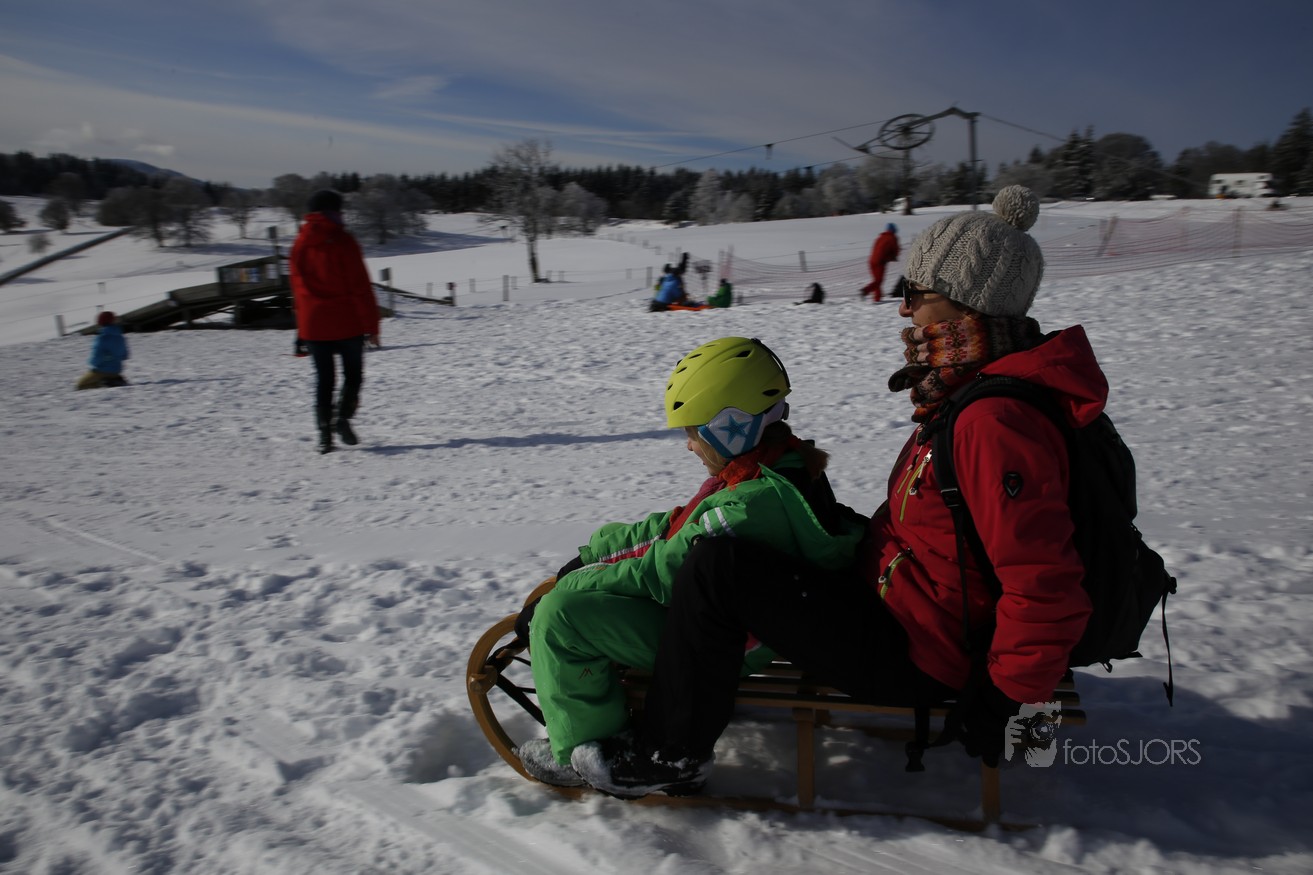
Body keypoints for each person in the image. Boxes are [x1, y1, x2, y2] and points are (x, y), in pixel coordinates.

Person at [572, 186, 1100, 799]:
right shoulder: (969, 398)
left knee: (719, 569)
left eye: (915, 293)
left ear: (966, 304)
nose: (903, 310)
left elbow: (1045, 582)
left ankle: (670, 753)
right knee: (744, 552)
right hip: (903, 609)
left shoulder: (993, 421)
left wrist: (1008, 695)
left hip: (919, 651)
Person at [513, 337, 866, 789]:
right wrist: (591, 554)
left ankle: (587, 752)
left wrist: (569, 585)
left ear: (731, 428)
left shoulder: (751, 507)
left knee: (560, 620)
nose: (689, 446)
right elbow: (671, 529)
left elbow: (661, 572)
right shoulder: (766, 471)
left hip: (726, 645)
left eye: (694, 432)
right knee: (572, 602)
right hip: (726, 625)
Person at [289, 189, 380, 454]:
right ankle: (342, 418)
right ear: (333, 211)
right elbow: (360, 287)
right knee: (353, 376)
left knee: (324, 380)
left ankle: (324, 437)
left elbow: (297, 291)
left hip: (314, 325)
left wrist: (301, 330)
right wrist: (372, 326)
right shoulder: (344, 241)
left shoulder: (300, 244)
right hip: (346, 322)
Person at [75, 311, 130, 389]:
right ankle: (115, 379)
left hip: (102, 370)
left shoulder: (102, 338)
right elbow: (125, 355)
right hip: (116, 370)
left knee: (80, 385)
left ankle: (104, 383)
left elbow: (97, 356)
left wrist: (93, 364)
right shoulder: (120, 337)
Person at [861, 223, 900, 301]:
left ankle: (877, 298)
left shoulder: (880, 237)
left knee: (877, 280)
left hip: (871, 260)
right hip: (880, 262)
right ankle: (865, 290)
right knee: (878, 281)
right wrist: (893, 257)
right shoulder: (892, 238)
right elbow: (896, 251)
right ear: (894, 230)